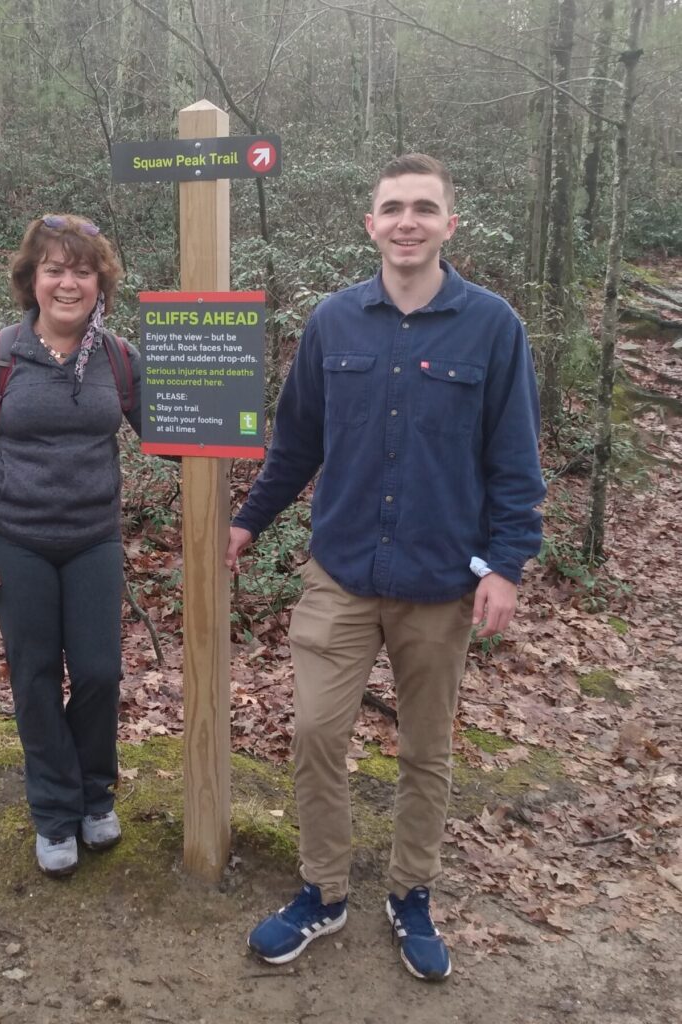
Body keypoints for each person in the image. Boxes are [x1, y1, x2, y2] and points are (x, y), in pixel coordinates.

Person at [226, 155, 546, 980]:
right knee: (314, 733)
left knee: (425, 750)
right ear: (370, 224)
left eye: (424, 208)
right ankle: (323, 891)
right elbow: (296, 439)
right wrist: (249, 522)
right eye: (393, 208)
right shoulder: (335, 322)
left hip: (442, 583)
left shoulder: (493, 326)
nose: (408, 221)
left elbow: (514, 460)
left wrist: (506, 564)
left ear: (449, 223)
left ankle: (411, 894)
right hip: (341, 572)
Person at [0, 214, 141, 878]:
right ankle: (56, 812)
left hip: (93, 541)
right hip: (16, 543)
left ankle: (94, 794)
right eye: (54, 269)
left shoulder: (116, 358)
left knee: (97, 674)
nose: (68, 282)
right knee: (33, 679)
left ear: (100, 282)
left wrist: (226, 428)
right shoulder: (0, 355)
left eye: (82, 270)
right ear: (32, 280)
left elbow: (173, 433)